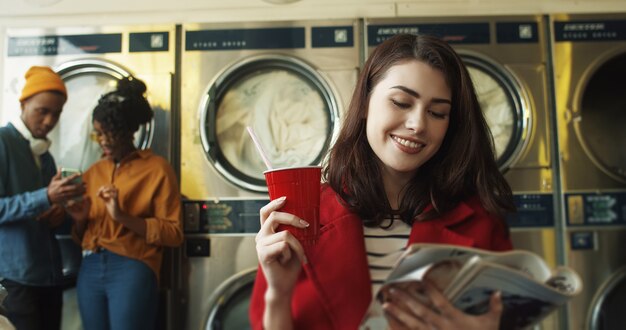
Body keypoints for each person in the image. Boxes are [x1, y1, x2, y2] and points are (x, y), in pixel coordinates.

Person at [250, 33, 516, 330]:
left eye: (437, 112)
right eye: (401, 102)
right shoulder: (301, 217)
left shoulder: (480, 220)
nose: (417, 124)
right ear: (365, 103)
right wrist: (278, 293)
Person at [65, 76, 183, 330]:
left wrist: (123, 217)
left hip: (132, 265)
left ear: (129, 131)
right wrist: (81, 220)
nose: (104, 141)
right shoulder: (93, 172)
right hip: (90, 265)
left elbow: (173, 234)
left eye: (111, 133)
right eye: (99, 134)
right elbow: (81, 234)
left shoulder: (157, 170)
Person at [0, 66, 85, 330]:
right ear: (23, 103)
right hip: (15, 277)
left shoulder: (44, 156)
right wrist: (45, 196)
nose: (49, 121)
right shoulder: (3, 142)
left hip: (49, 276)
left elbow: (49, 211)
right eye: (42, 111)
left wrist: (60, 215)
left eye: (56, 113)